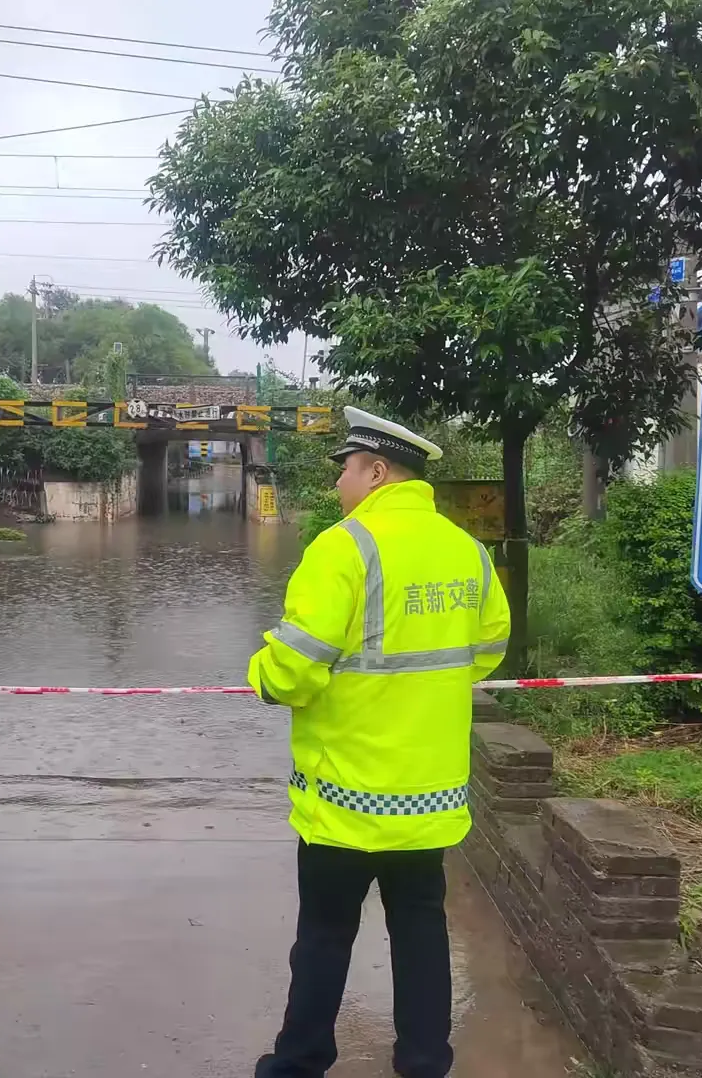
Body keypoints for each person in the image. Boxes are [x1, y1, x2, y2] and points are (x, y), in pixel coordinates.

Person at [249, 406, 512, 1078]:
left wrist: (260, 672)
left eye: (344, 469)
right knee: (422, 932)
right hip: (427, 797)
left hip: (345, 796)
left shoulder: (343, 548)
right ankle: (425, 1061)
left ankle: (300, 1062)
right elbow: (487, 651)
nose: (338, 482)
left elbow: (293, 672)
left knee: (325, 937)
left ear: (375, 471)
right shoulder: (467, 550)